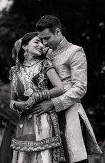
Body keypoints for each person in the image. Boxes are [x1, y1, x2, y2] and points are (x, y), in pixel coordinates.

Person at [31, 15, 102, 163]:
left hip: (70, 113)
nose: (44, 42)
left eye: (47, 38)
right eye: (41, 39)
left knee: (75, 158)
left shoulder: (76, 51)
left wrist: (54, 103)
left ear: (57, 32)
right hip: (47, 114)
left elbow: (80, 88)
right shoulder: (46, 53)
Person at [9, 32, 66, 163]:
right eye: (36, 42)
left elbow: (60, 88)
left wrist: (36, 96)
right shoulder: (14, 71)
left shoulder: (45, 64)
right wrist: (19, 105)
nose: (41, 45)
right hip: (24, 123)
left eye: (42, 42)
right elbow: (11, 101)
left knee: (44, 157)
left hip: (44, 118)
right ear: (24, 46)